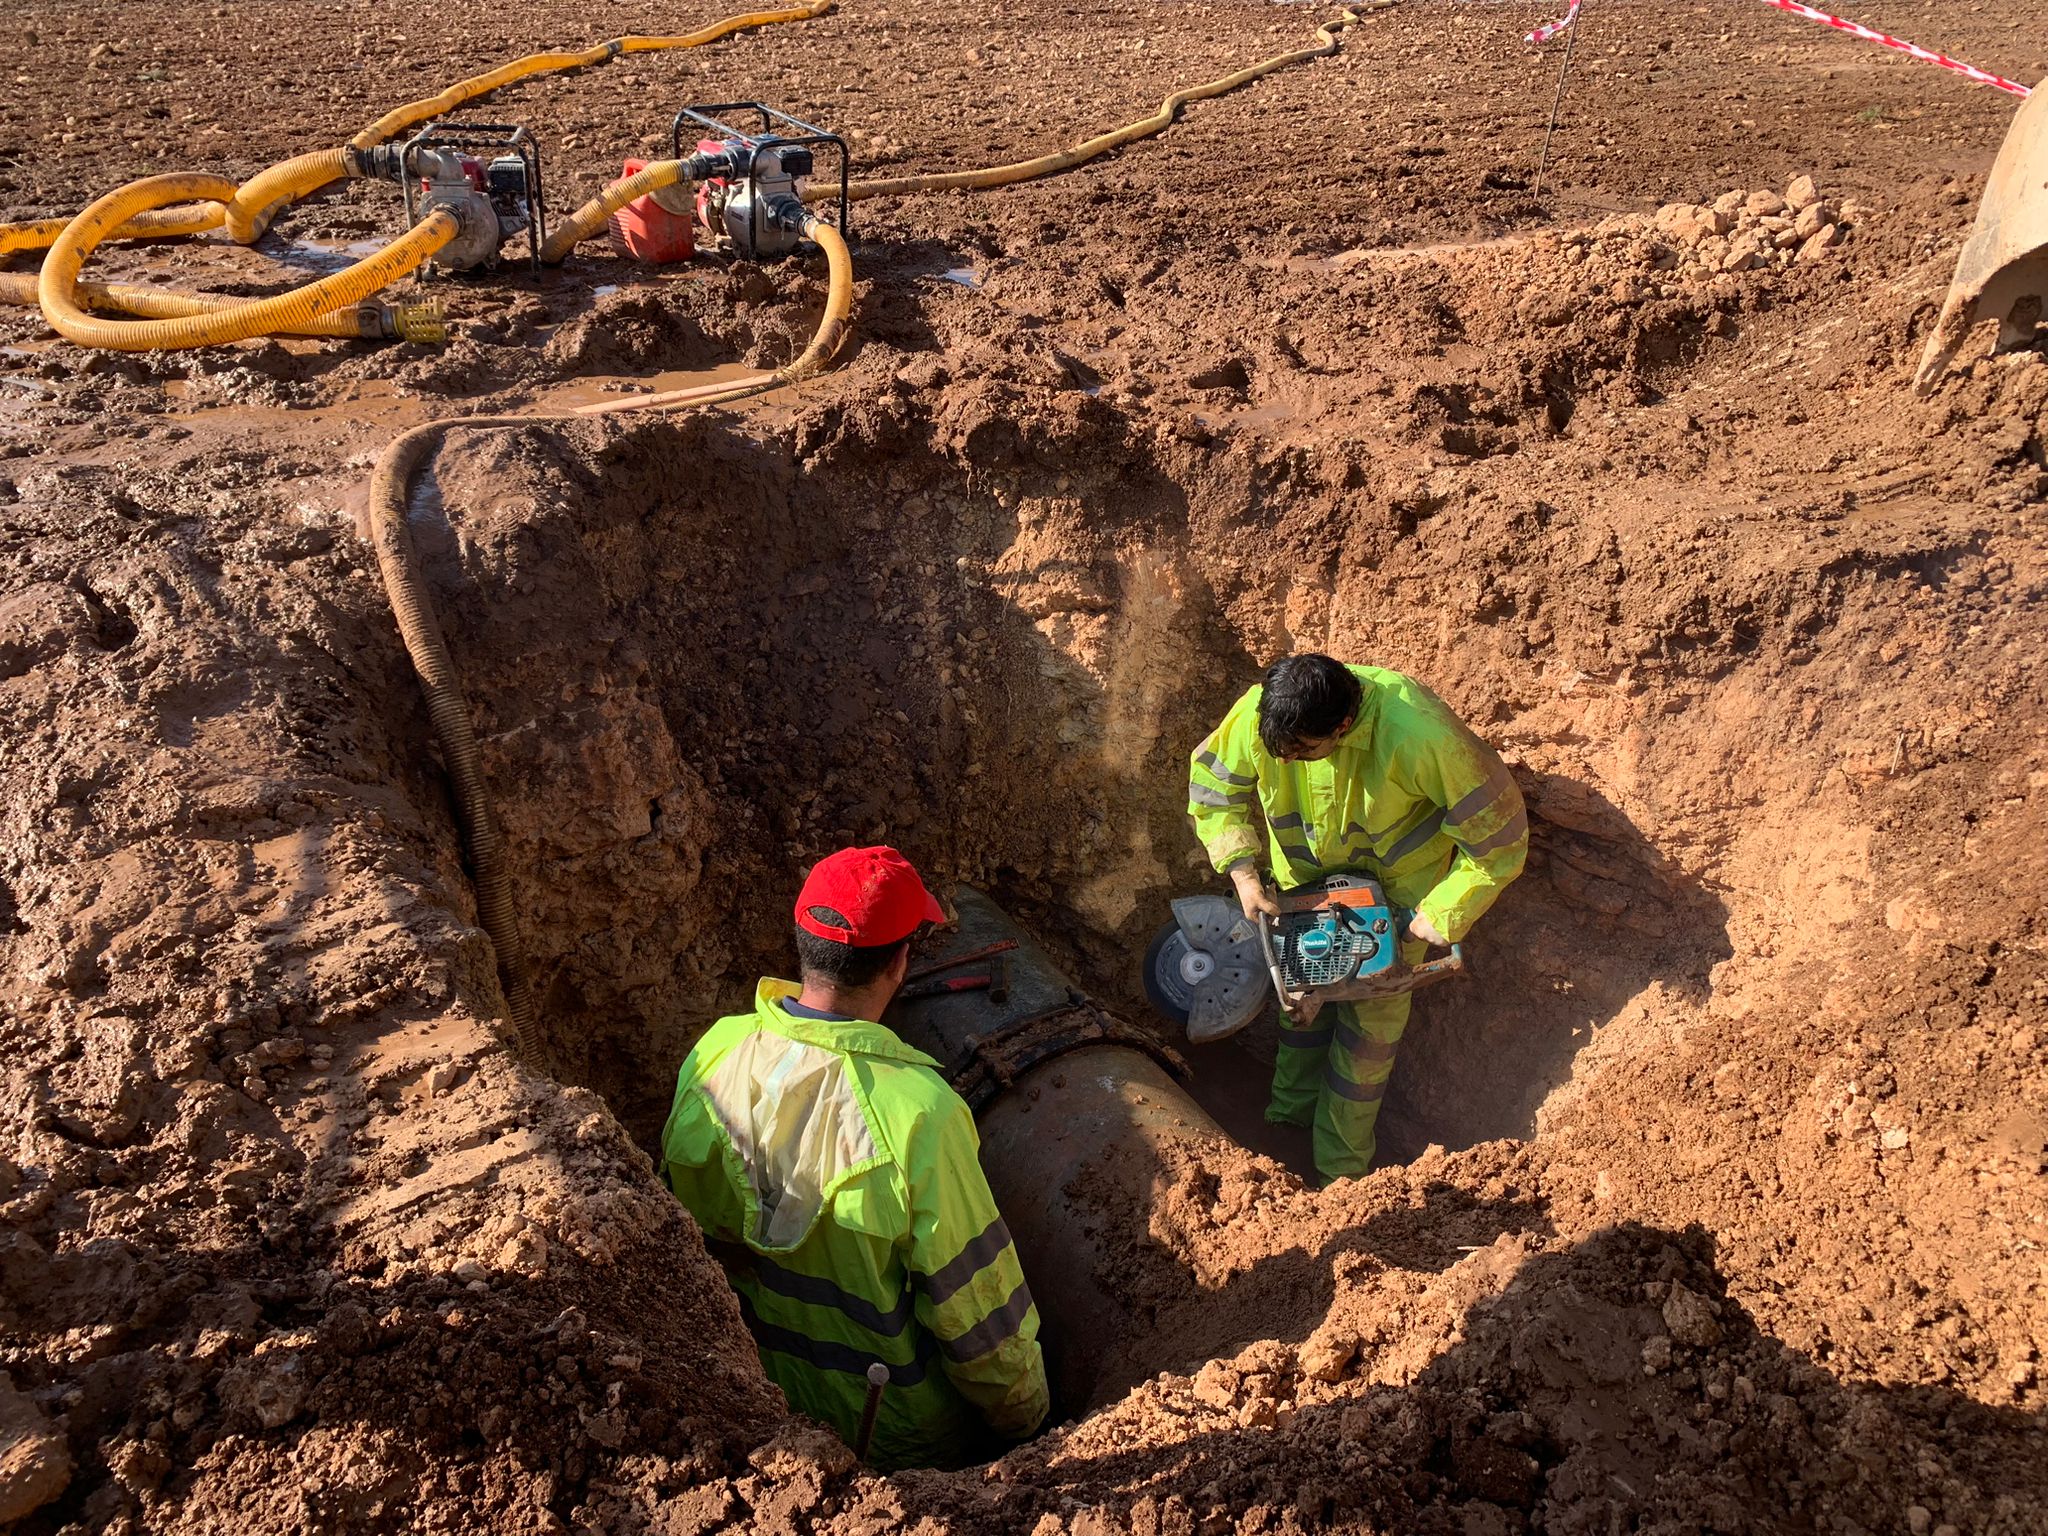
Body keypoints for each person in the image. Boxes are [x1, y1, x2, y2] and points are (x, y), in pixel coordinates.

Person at [658, 845, 1050, 1471]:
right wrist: (1028, 1425)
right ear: (899, 964)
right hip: (890, 1432)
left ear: (802, 944)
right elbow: (978, 1313)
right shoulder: (920, 1114)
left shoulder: (715, 1050)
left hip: (744, 1399)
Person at [1186, 655, 1527, 1182]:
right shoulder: (1268, 710)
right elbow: (1212, 786)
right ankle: (1284, 1125)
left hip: (1394, 907)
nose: (1289, 760)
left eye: (1302, 753)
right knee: (1300, 1005)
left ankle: (1339, 1176)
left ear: (1342, 727)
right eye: (1281, 752)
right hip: (1302, 893)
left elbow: (1499, 839)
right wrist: (1243, 874)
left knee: (1367, 1041)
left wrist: (1443, 911)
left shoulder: (1419, 733)